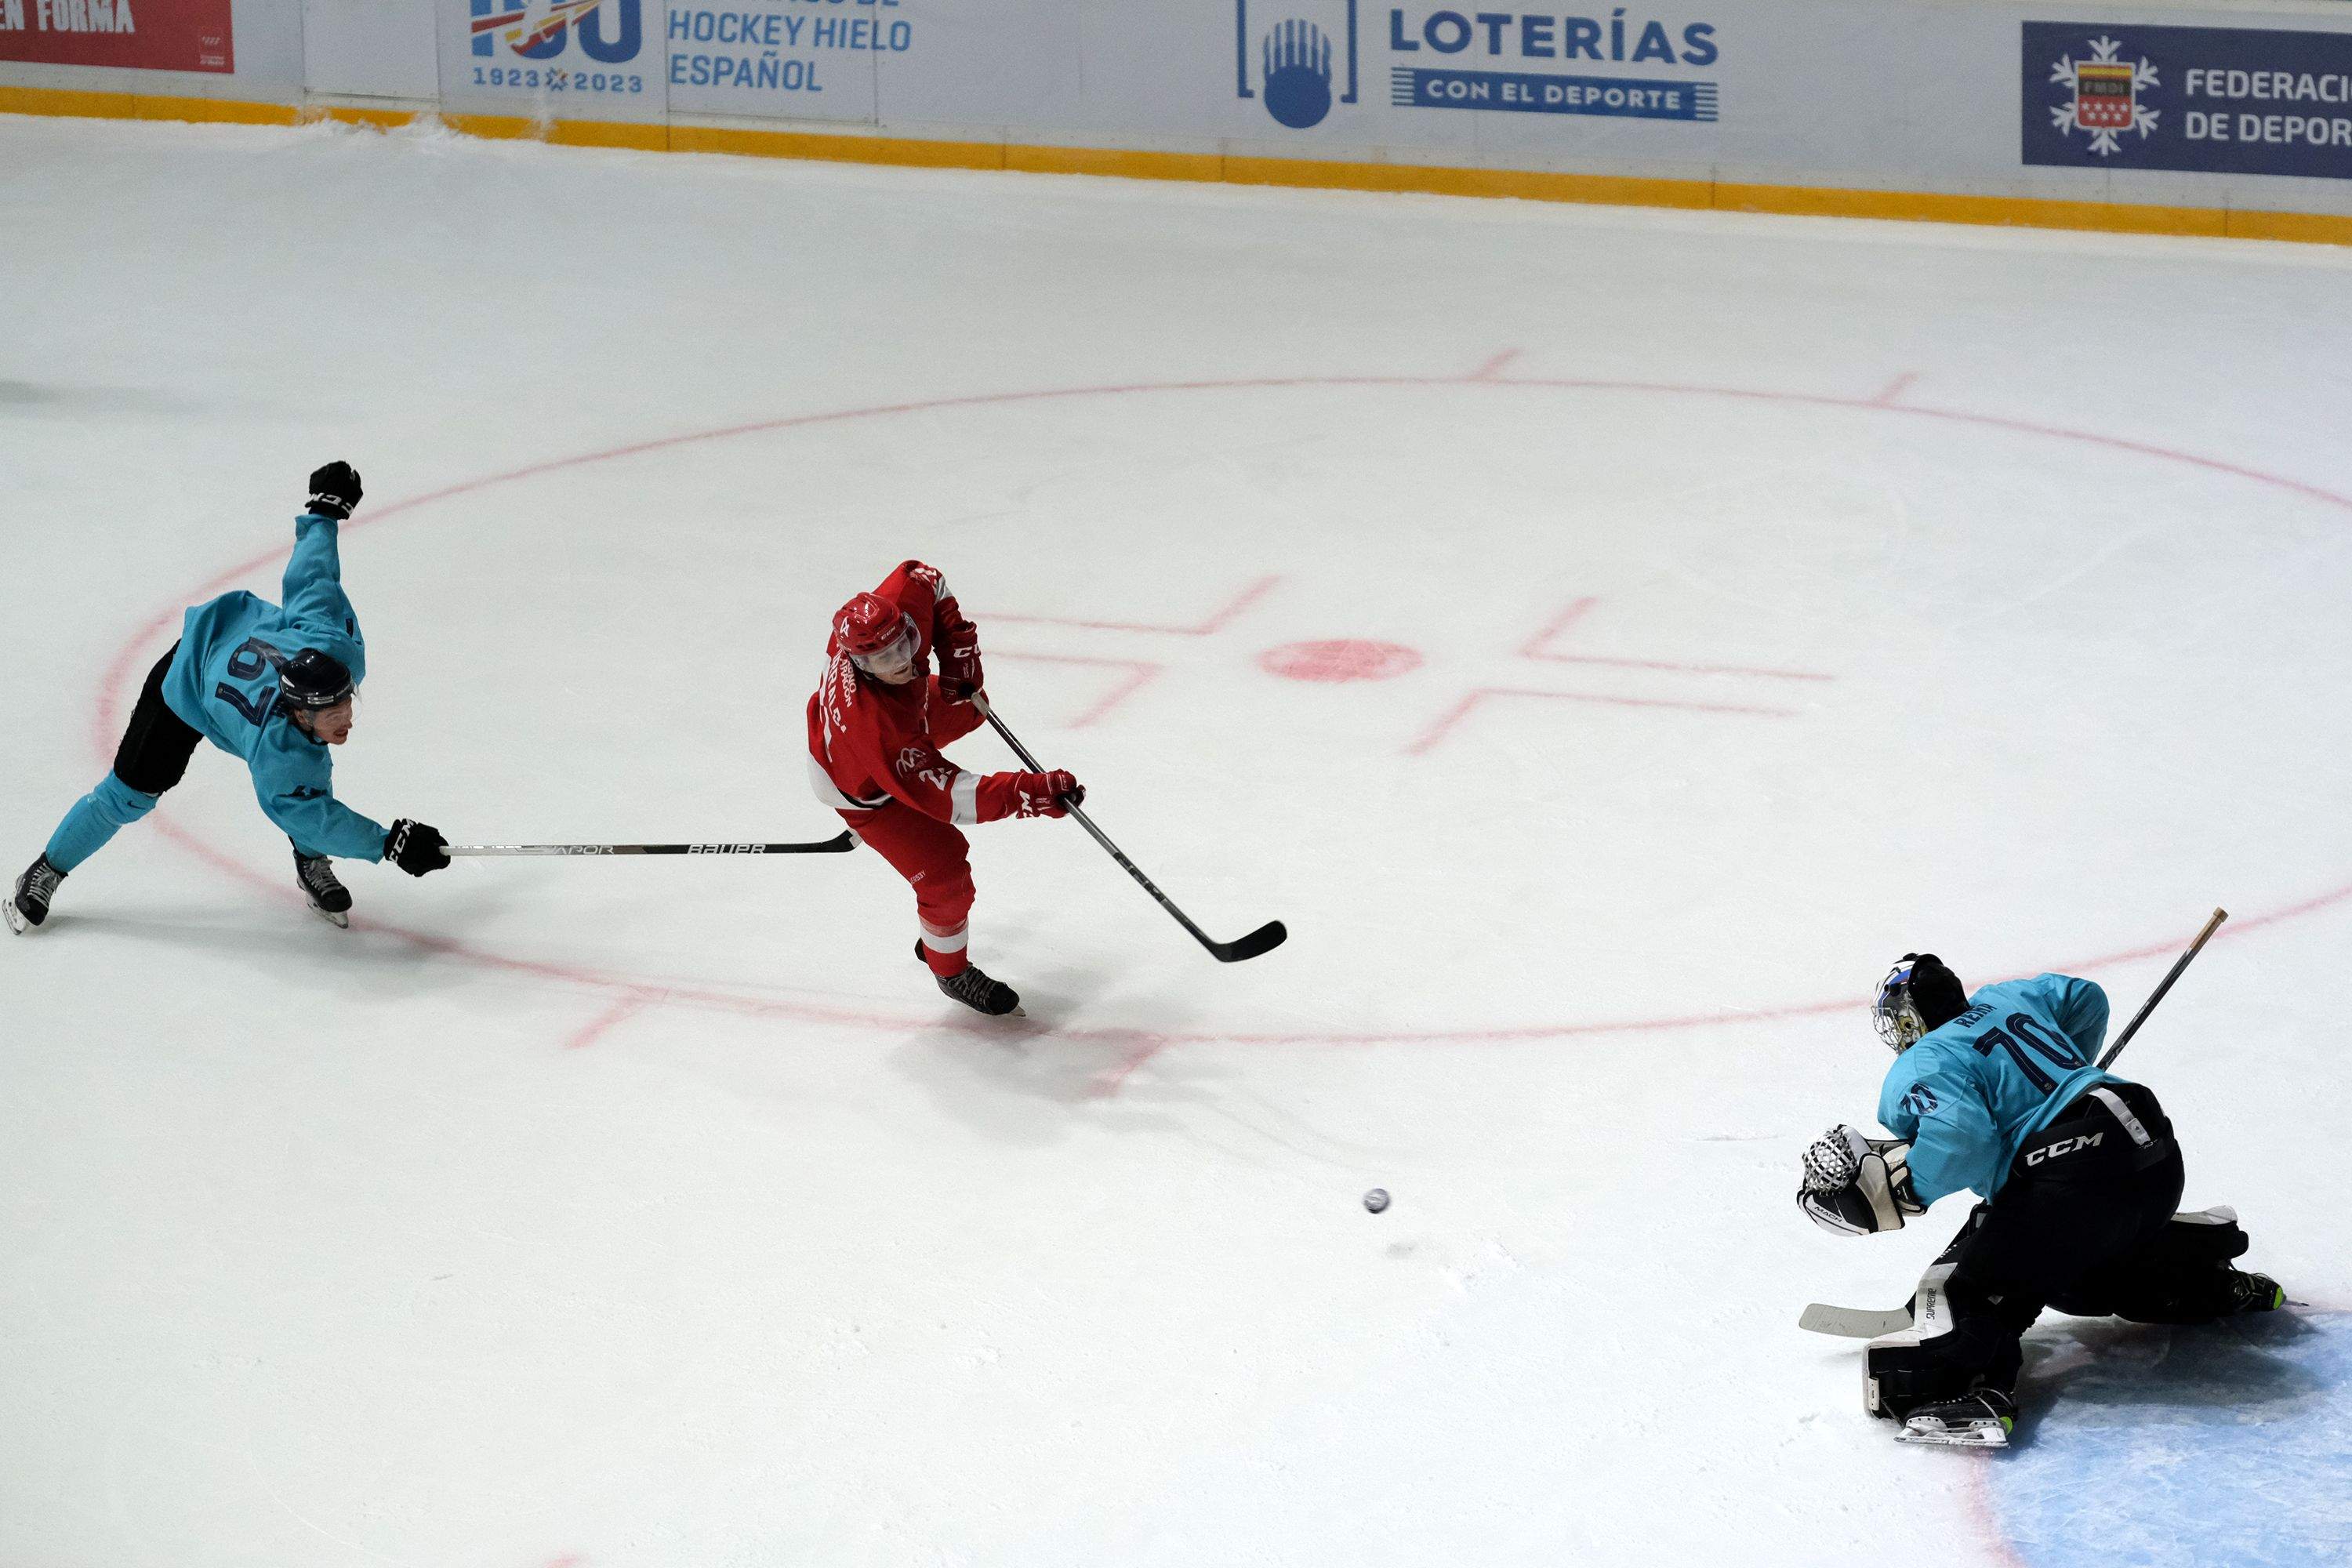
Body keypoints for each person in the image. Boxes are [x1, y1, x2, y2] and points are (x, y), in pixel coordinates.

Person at [1796, 953, 2284, 1446]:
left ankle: (1979, 1391)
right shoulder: (2008, 998)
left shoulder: (1920, 1060)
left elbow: (1962, 1138)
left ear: (1908, 1020)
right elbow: (2086, 998)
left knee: (1976, 1292)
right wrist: (2059, 1075)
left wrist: (1912, 1192)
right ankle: (2207, 1279)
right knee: (2071, 1275)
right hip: (2152, 1151)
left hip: (2073, 1174)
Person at [6, 462, 449, 935]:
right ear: (300, 712)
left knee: (307, 791)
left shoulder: (331, 645)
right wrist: (387, 844)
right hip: (186, 679)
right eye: (332, 713)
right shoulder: (281, 754)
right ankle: (46, 869)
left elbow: (313, 580)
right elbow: (313, 815)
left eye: (347, 704)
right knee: (128, 795)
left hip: (232, 642)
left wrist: (324, 511)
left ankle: (309, 862)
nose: (347, 721)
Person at [806, 561, 1081, 1016]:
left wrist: (956, 649)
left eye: (905, 645)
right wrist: (1026, 793)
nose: (902, 662)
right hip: (863, 791)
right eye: (884, 659)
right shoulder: (874, 728)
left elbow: (925, 578)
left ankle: (937, 926)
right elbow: (951, 796)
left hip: (890, 735)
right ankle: (949, 970)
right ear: (858, 661)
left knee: (970, 705)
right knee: (946, 876)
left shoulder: (890, 612)